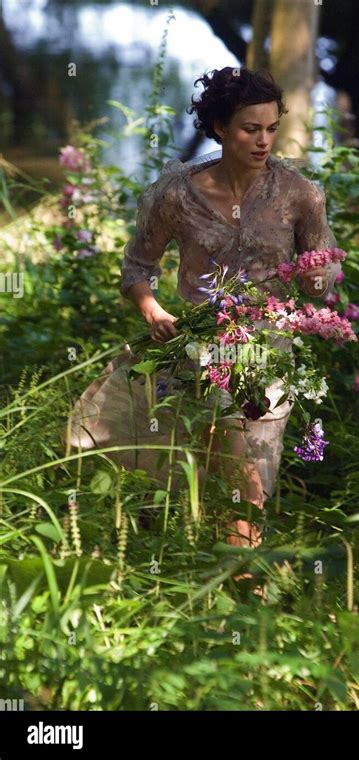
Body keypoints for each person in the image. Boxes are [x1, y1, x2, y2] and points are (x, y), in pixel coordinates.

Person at [66, 66, 341, 560]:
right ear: (219, 127)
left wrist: (316, 279)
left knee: (246, 479)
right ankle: (188, 575)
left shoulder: (300, 195)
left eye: (272, 128)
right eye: (249, 129)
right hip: (193, 346)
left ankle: (245, 591)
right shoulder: (178, 194)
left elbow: (324, 273)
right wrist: (151, 309)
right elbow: (136, 267)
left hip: (264, 354)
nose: (264, 141)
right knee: (190, 467)